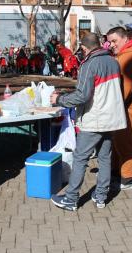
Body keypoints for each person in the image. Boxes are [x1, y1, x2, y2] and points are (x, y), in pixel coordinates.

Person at [49, 33, 126, 210]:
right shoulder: (114, 62)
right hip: (111, 118)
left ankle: (70, 199)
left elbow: (82, 95)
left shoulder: (89, 64)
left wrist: (59, 99)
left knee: (80, 159)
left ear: (84, 48)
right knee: (105, 158)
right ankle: (100, 197)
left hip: (94, 119)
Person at [106, 26, 132, 189]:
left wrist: (108, 103)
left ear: (125, 39)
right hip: (120, 107)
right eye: (109, 42)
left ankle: (128, 179)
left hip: (127, 109)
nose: (111, 45)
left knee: (124, 143)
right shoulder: (124, 55)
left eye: (114, 41)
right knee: (117, 141)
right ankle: (117, 172)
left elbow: (125, 89)